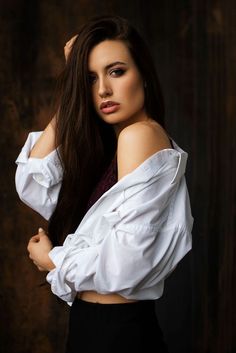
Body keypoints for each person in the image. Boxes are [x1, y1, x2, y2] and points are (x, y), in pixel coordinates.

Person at [15, 15, 193, 353]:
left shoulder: (139, 136)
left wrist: (54, 260)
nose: (102, 90)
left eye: (116, 71)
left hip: (118, 333)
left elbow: (127, 264)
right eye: (89, 78)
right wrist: (71, 82)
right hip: (97, 327)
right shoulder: (112, 152)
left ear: (143, 75)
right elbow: (33, 181)